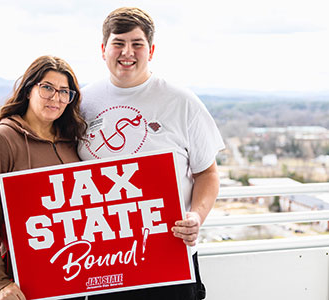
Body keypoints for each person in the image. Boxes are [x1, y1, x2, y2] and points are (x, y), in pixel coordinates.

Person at [78, 7, 225, 300]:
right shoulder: (81, 103)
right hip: (103, 260)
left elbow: (207, 173)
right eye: (118, 43)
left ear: (151, 50)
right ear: (103, 49)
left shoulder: (182, 102)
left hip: (169, 257)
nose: (126, 52)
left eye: (137, 44)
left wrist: (196, 216)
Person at [0, 55, 87, 300]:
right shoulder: (1, 140)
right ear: (28, 90)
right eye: (47, 88)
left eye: (64, 92)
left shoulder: (72, 141)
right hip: (27, 280)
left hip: (76, 271)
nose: (56, 98)